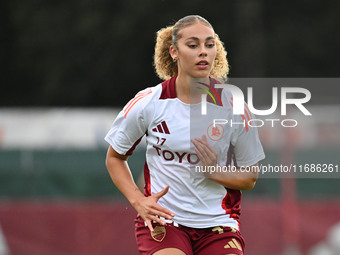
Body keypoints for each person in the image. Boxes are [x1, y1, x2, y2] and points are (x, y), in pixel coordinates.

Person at [105, 15, 265, 255]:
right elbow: (115, 158)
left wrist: (214, 171)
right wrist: (138, 201)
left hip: (218, 224)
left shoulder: (234, 106)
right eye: (193, 45)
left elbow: (250, 177)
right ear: (174, 52)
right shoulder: (149, 102)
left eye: (209, 45)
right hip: (165, 221)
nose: (203, 52)